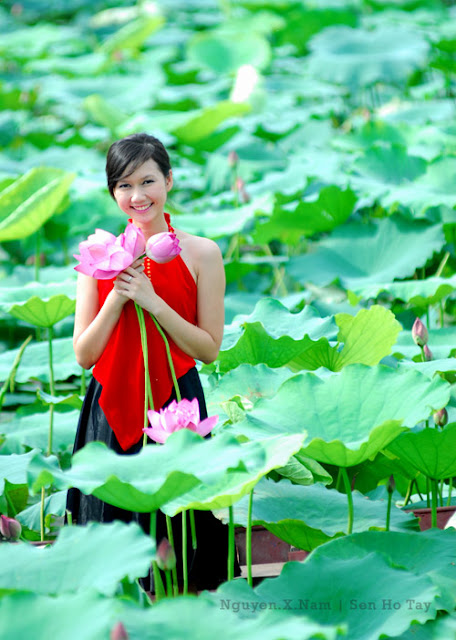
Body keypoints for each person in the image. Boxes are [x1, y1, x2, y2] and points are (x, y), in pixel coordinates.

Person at [66, 132, 238, 592]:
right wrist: (118, 298)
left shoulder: (203, 253)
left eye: (148, 182)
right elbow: (84, 355)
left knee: (188, 551)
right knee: (109, 554)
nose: (137, 196)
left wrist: (154, 301)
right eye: (124, 186)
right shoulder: (97, 257)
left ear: (169, 181)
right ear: (112, 193)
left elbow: (208, 349)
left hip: (177, 404)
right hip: (111, 406)